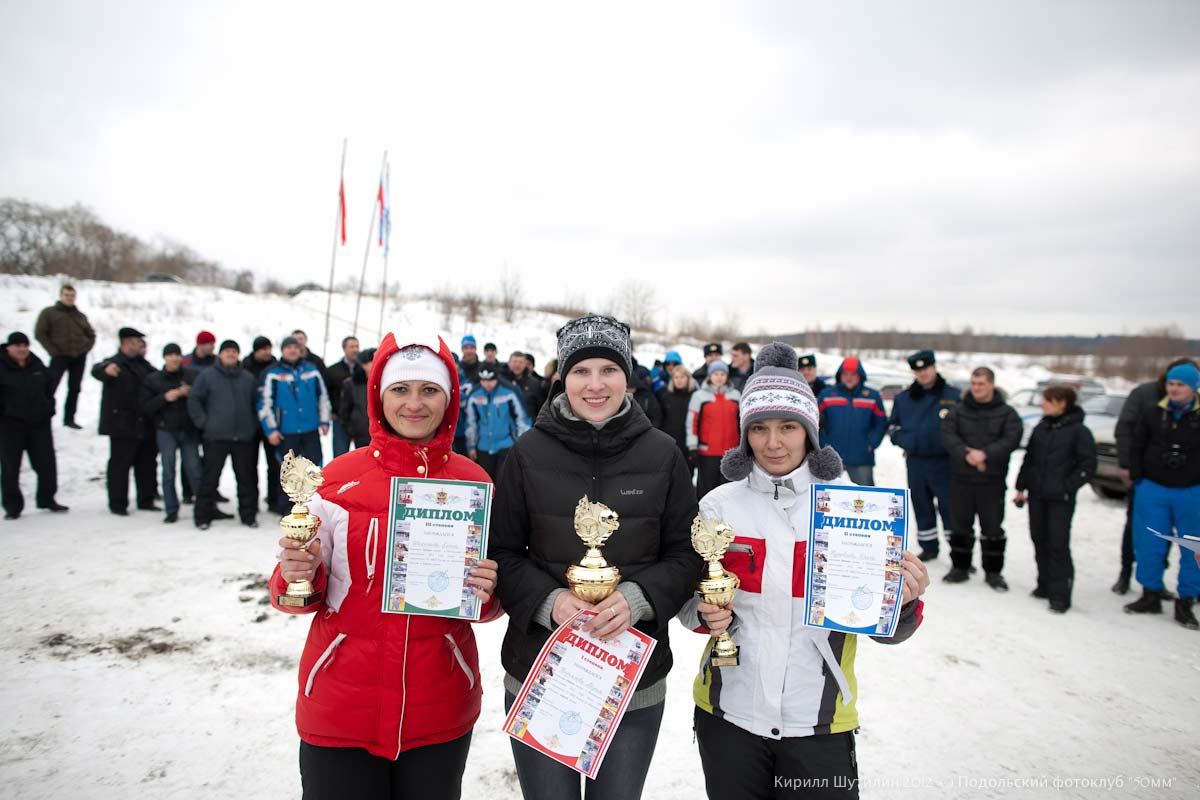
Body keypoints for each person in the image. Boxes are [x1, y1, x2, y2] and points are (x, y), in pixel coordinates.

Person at [676, 342, 928, 800]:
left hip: (818, 722)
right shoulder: (718, 506)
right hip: (728, 716)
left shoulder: (854, 507)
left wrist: (903, 603)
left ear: (809, 431)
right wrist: (704, 613)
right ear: (745, 434)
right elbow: (690, 605)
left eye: (788, 427)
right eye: (759, 428)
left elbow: (888, 632)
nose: (773, 443)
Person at [270, 330, 501, 799]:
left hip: (437, 706)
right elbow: (295, 594)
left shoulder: (473, 484)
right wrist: (296, 573)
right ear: (379, 396)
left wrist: (488, 591)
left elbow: (489, 600)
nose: (414, 403)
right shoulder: (337, 479)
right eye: (400, 389)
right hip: (341, 706)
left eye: (429, 389)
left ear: (449, 399)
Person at [489, 313, 702, 800]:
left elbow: (687, 553)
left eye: (609, 370)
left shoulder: (663, 453)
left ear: (627, 376)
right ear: (562, 377)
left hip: (632, 679)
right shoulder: (527, 453)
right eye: (581, 371)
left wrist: (639, 598)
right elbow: (502, 552)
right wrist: (550, 603)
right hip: (540, 670)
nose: (595, 384)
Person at [1111, 357, 1197, 595]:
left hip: (1190, 489)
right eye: (1172, 383)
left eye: (1181, 384)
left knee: (1190, 543)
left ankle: (1187, 595)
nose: (1175, 388)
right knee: (1145, 539)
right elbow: (1132, 437)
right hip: (1151, 484)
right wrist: (1133, 470)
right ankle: (1140, 584)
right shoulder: (1149, 404)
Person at [1014, 385, 1097, 613]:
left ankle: (1060, 594)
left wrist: (1066, 487)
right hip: (1037, 495)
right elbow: (1029, 459)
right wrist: (1021, 486)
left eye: (1048, 400)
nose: (1043, 404)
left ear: (1062, 403)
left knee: (1057, 544)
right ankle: (1044, 584)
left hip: (1061, 498)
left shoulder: (1079, 431)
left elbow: (1088, 465)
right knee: (1039, 539)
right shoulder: (1042, 427)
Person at [940, 367, 1022, 589]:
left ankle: (993, 573)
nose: (976, 388)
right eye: (974, 384)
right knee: (960, 527)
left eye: (981, 384)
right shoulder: (958, 411)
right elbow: (947, 435)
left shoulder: (1006, 413)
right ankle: (960, 567)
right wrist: (966, 454)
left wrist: (985, 454)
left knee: (993, 529)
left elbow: (1011, 438)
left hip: (991, 481)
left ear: (992, 384)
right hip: (961, 480)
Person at [887, 350, 961, 561]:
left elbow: (964, 427)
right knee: (921, 505)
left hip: (945, 462)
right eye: (918, 370)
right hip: (916, 461)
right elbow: (892, 426)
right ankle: (929, 546)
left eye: (926, 368)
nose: (923, 373)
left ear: (934, 367)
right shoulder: (904, 398)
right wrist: (906, 440)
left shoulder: (953, 396)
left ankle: (958, 551)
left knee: (950, 507)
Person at [188, 340, 260, 530]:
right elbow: (194, 399)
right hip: (216, 437)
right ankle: (203, 516)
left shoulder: (247, 378)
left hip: (243, 437)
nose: (231, 354)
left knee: (246, 479)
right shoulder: (207, 376)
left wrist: (252, 425)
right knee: (209, 479)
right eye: (227, 351)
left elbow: (257, 404)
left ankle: (248, 516)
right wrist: (204, 423)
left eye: (234, 351)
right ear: (220, 354)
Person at [259, 335, 332, 513]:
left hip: (310, 429)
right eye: (288, 347)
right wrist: (271, 429)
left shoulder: (311, 370)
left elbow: (323, 397)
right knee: (288, 471)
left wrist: (324, 420)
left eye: (295, 347)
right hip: (286, 431)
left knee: (313, 469)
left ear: (300, 350)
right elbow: (264, 404)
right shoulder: (273, 373)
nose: (292, 350)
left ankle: (314, 507)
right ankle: (287, 509)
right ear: (283, 350)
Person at [92, 327, 158, 515]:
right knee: (120, 465)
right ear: (126, 343)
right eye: (137, 342)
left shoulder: (144, 365)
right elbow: (97, 370)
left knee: (146, 463)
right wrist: (105, 369)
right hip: (122, 424)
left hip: (144, 422)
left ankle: (146, 499)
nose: (141, 345)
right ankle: (118, 503)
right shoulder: (114, 363)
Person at [0, 332, 67, 519]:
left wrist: (49, 409)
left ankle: (47, 498)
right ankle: (12, 506)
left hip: (39, 422)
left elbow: (49, 388)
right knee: (11, 466)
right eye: (17, 346)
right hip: (10, 424)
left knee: (46, 463)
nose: (22, 349)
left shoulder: (36, 364)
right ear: (8, 347)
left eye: (25, 345)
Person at [141, 343, 201, 523]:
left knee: (194, 470)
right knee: (168, 471)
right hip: (166, 430)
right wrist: (165, 397)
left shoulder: (192, 375)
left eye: (177, 355)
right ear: (165, 357)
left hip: (188, 430)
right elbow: (146, 407)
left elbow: (203, 397)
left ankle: (203, 507)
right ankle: (171, 509)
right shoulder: (153, 379)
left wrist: (190, 393)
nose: (174, 358)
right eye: (170, 355)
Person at [817, 357, 887, 486]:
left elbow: (881, 423)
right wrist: (822, 445)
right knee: (828, 494)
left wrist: (871, 444)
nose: (849, 378)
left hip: (861, 457)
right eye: (845, 374)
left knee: (865, 494)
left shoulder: (872, 396)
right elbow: (816, 422)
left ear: (860, 375)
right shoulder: (826, 395)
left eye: (853, 374)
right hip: (832, 457)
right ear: (840, 375)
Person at [33, 284, 95, 429]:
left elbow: (91, 335)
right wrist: (52, 350)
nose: (69, 298)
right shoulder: (49, 313)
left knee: (74, 389)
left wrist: (85, 349)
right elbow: (40, 333)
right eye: (67, 295)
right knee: (50, 387)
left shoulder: (79, 316)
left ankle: (69, 419)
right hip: (59, 356)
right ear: (61, 296)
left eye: (72, 295)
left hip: (78, 357)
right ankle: (42, 417)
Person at [688, 361, 742, 499]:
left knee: (729, 491)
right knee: (707, 491)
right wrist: (692, 446)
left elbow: (742, 422)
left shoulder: (736, 395)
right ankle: (704, 513)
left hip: (731, 452)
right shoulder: (699, 396)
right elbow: (692, 422)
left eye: (722, 374)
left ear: (727, 376)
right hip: (707, 452)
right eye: (716, 374)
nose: (719, 377)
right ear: (710, 376)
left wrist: (743, 445)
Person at [465, 367, 530, 480]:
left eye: (491, 380)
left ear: (497, 379)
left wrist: (522, 444)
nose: (487, 384)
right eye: (483, 380)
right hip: (483, 446)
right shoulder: (474, 395)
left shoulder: (509, 392)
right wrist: (471, 446)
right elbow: (471, 423)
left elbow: (522, 419)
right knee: (485, 480)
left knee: (505, 481)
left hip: (506, 444)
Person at [243, 336, 280, 511]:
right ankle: (252, 502)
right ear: (255, 351)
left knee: (274, 465)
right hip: (250, 424)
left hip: (271, 423)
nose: (267, 352)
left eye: (269, 348)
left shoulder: (276, 367)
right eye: (263, 349)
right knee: (249, 466)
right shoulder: (245, 368)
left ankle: (273, 500)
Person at [325, 336, 364, 457]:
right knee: (340, 455)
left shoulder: (364, 369)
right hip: (340, 420)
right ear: (344, 349)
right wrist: (332, 411)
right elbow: (326, 393)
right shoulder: (333, 370)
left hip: (361, 419)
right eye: (352, 347)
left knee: (363, 455)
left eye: (357, 346)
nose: (355, 350)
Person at [656, 364, 697, 477]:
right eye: (676, 377)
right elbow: (660, 420)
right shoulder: (666, 397)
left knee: (687, 475)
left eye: (682, 377)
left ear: (688, 379)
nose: (679, 380)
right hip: (670, 443)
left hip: (688, 444)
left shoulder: (694, 397)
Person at [339, 347, 376, 449]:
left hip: (383, 435)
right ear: (363, 365)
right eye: (372, 361)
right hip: (362, 435)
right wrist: (353, 430)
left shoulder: (385, 383)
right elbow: (345, 411)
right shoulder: (351, 384)